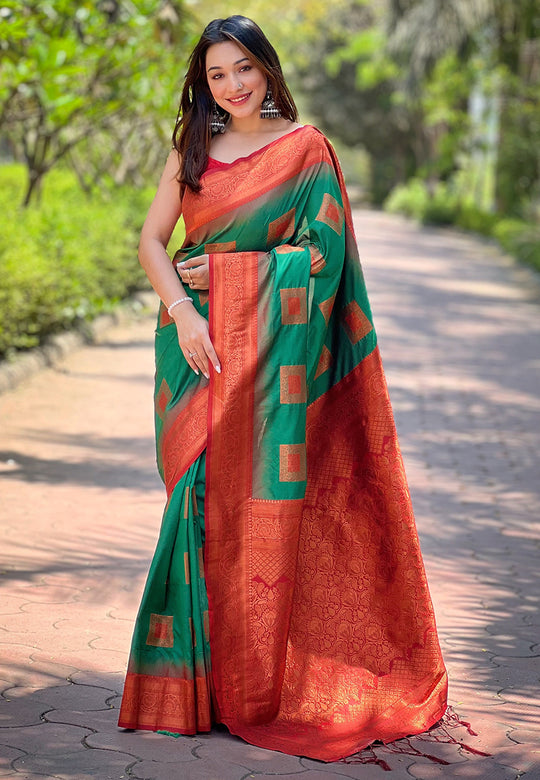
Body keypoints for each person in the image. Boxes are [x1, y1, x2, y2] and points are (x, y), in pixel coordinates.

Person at [118, 14, 448, 762]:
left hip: (270, 357)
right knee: (193, 502)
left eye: (244, 70)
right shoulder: (192, 147)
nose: (231, 86)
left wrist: (236, 279)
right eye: (216, 75)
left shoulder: (304, 152)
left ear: (268, 71)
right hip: (195, 345)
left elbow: (322, 260)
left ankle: (248, 686)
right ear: (202, 84)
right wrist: (183, 312)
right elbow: (151, 242)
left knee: (252, 512)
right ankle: (187, 688)